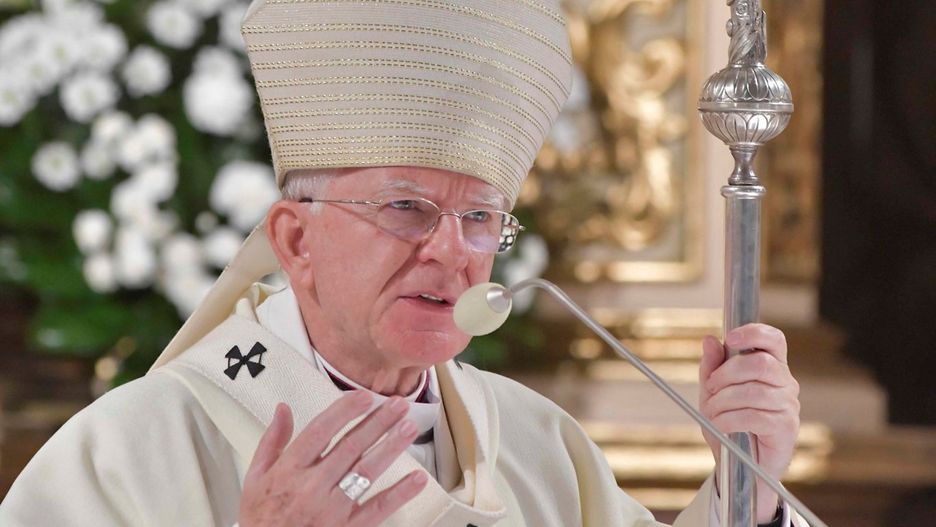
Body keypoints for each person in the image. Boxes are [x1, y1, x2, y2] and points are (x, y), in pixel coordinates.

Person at [0, 1, 805, 525]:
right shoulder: (132, 451)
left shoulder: (537, 446)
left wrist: (748, 485)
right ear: (296, 239)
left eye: (480, 218)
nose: (453, 251)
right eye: (407, 208)